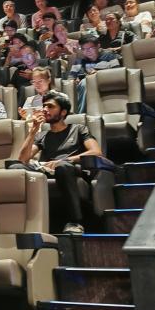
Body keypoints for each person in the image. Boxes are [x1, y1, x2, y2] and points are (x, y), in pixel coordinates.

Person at [13, 91, 103, 234]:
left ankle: (75, 222)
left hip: (70, 168)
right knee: (15, 167)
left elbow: (96, 152)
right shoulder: (42, 135)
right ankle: (21, 222)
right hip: (48, 170)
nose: (45, 109)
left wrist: (65, 160)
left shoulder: (78, 129)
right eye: (44, 106)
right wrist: (33, 131)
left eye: (50, 106)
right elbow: (23, 159)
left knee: (62, 167)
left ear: (63, 112)